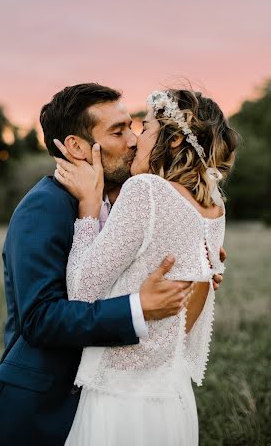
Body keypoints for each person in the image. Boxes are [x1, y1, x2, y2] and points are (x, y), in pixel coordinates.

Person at [0, 84, 224, 446]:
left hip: (127, 394)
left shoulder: (142, 198)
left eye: (134, 127)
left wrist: (196, 273)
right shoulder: (44, 207)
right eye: (118, 131)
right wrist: (137, 308)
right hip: (49, 404)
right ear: (77, 147)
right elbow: (39, 319)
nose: (132, 140)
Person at [54, 88, 238, 446]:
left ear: (171, 142)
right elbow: (185, 319)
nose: (136, 140)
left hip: (121, 398)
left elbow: (80, 292)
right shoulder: (214, 210)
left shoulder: (146, 191)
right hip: (171, 397)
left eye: (146, 127)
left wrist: (89, 209)